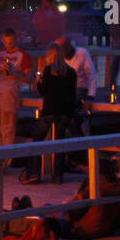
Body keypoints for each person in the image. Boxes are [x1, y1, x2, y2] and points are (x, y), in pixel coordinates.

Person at [21, 44, 77, 184]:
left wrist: (38, 81)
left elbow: (42, 92)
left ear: (51, 56)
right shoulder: (71, 72)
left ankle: (34, 173)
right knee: (59, 143)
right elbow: (72, 94)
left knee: (37, 141)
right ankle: (57, 176)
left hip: (49, 111)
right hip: (65, 113)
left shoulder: (48, 70)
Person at [0, 27, 31, 157]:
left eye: (11, 42)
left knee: (7, 130)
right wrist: (0, 69)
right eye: (6, 42)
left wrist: (16, 75)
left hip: (10, 93)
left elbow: (29, 78)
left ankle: (5, 161)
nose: (9, 45)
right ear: (2, 40)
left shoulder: (22, 55)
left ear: (15, 39)